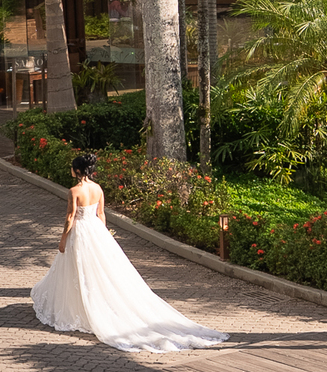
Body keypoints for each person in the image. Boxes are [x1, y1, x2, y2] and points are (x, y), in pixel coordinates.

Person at [31, 150, 227, 354]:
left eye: (72, 168)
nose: (71, 171)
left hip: (80, 231)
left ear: (77, 170)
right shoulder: (97, 188)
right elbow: (101, 214)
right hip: (95, 230)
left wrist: (63, 238)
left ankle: (78, 307)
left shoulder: (74, 191)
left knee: (78, 268)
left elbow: (70, 217)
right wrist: (103, 236)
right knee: (98, 270)